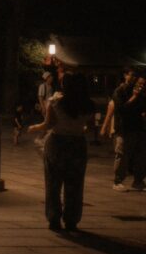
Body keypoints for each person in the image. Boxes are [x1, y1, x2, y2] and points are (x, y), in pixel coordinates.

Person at [28, 73, 96, 232]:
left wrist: (34, 127)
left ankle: (54, 218)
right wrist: (77, 127)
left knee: (53, 183)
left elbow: (49, 124)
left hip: (57, 143)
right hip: (78, 144)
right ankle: (72, 219)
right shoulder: (88, 105)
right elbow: (89, 127)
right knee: (75, 184)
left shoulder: (55, 102)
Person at [111, 69, 145, 192]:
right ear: (125, 75)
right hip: (124, 128)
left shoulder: (138, 90)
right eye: (131, 75)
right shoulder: (119, 91)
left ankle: (138, 181)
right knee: (122, 155)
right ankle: (118, 181)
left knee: (140, 156)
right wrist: (134, 97)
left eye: (135, 75)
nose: (134, 78)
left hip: (138, 127)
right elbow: (121, 109)